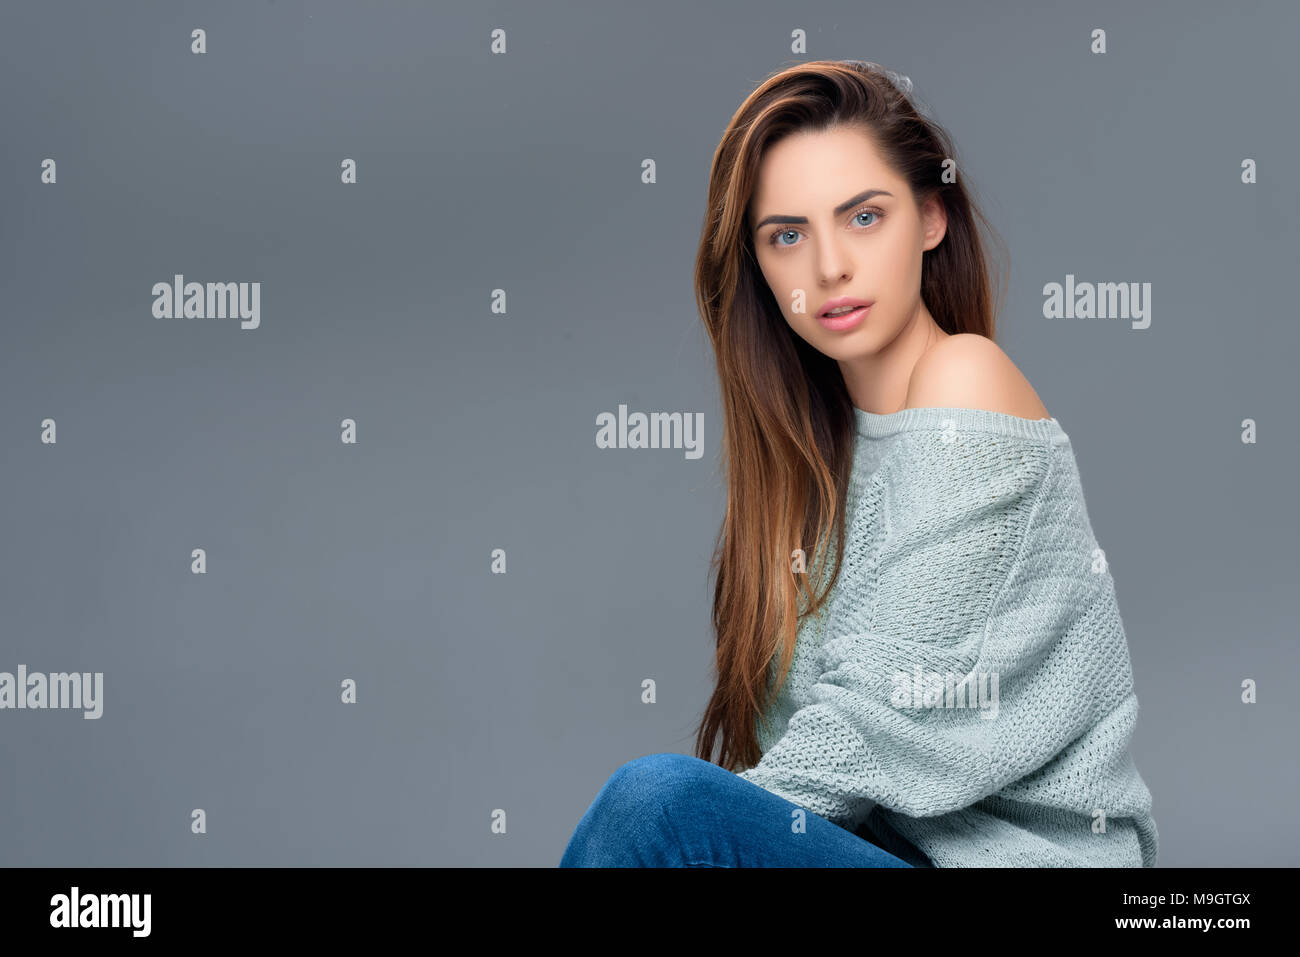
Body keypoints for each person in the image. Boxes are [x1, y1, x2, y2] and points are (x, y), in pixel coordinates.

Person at [561, 59, 1157, 868]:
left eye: (865, 217)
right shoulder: (808, 465)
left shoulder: (965, 380)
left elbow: (868, 730)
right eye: (788, 235)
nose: (829, 266)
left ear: (932, 219)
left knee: (656, 803)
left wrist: (701, 829)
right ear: (761, 270)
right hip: (882, 850)